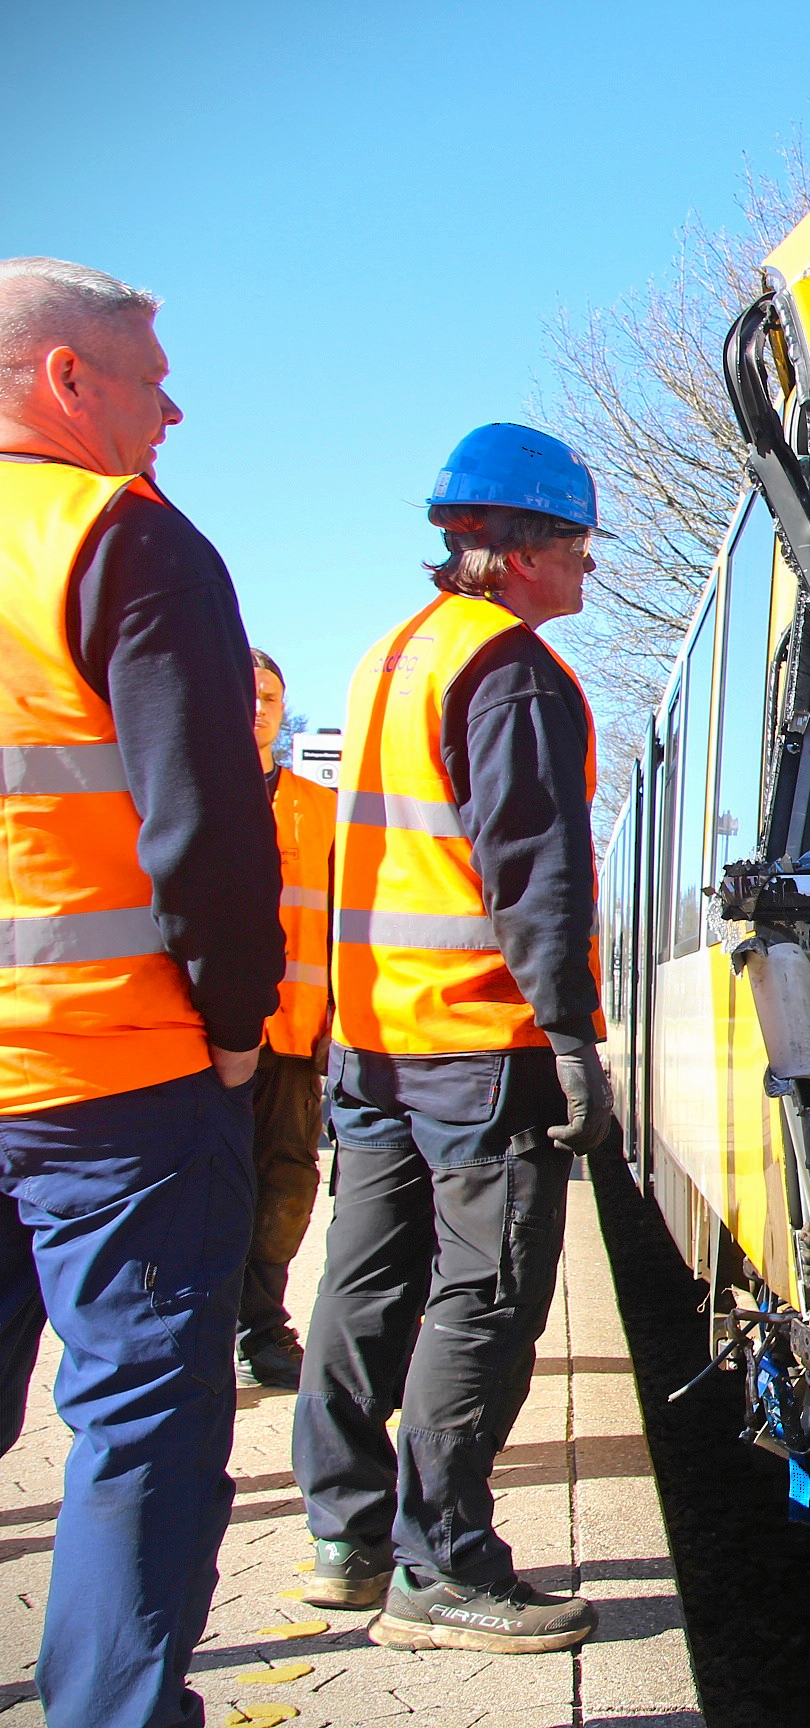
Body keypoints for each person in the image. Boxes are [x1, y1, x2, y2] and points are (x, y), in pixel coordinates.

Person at [0, 257, 282, 1728]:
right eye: (151, 380)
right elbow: (209, 835)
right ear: (66, 378)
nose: (171, 412)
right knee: (136, 1427)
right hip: (110, 1085)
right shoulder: (121, 538)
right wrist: (237, 1033)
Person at [292, 422, 612, 1655]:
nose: (590, 562)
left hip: (375, 1037)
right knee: (486, 1296)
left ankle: (346, 1538)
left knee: (366, 1285)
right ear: (522, 549)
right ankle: (444, 1565)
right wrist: (570, 1038)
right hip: (478, 1040)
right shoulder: (510, 670)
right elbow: (534, 875)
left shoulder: (394, 656)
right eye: (577, 539)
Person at [240, 648, 334, 1389]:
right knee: (202, 1189)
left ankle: (263, 1330)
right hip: (194, 1043)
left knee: (284, 1184)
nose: (258, 708)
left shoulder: (320, 808)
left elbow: (343, 922)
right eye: (244, 695)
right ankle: (204, 1331)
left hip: (292, 1037)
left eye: (270, 697)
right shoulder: (178, 792)